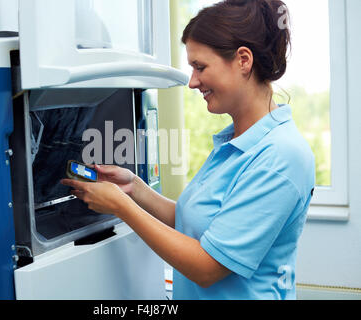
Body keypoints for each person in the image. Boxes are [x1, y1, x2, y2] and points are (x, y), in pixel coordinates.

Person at [61, 0, 315, 300]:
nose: (192, 82)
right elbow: (196, 223)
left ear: (243, 60)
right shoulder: (235, 141)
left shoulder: (281, 156)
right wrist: (135, 189)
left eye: (200, 67)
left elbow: (207, 267)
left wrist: (121, 206)